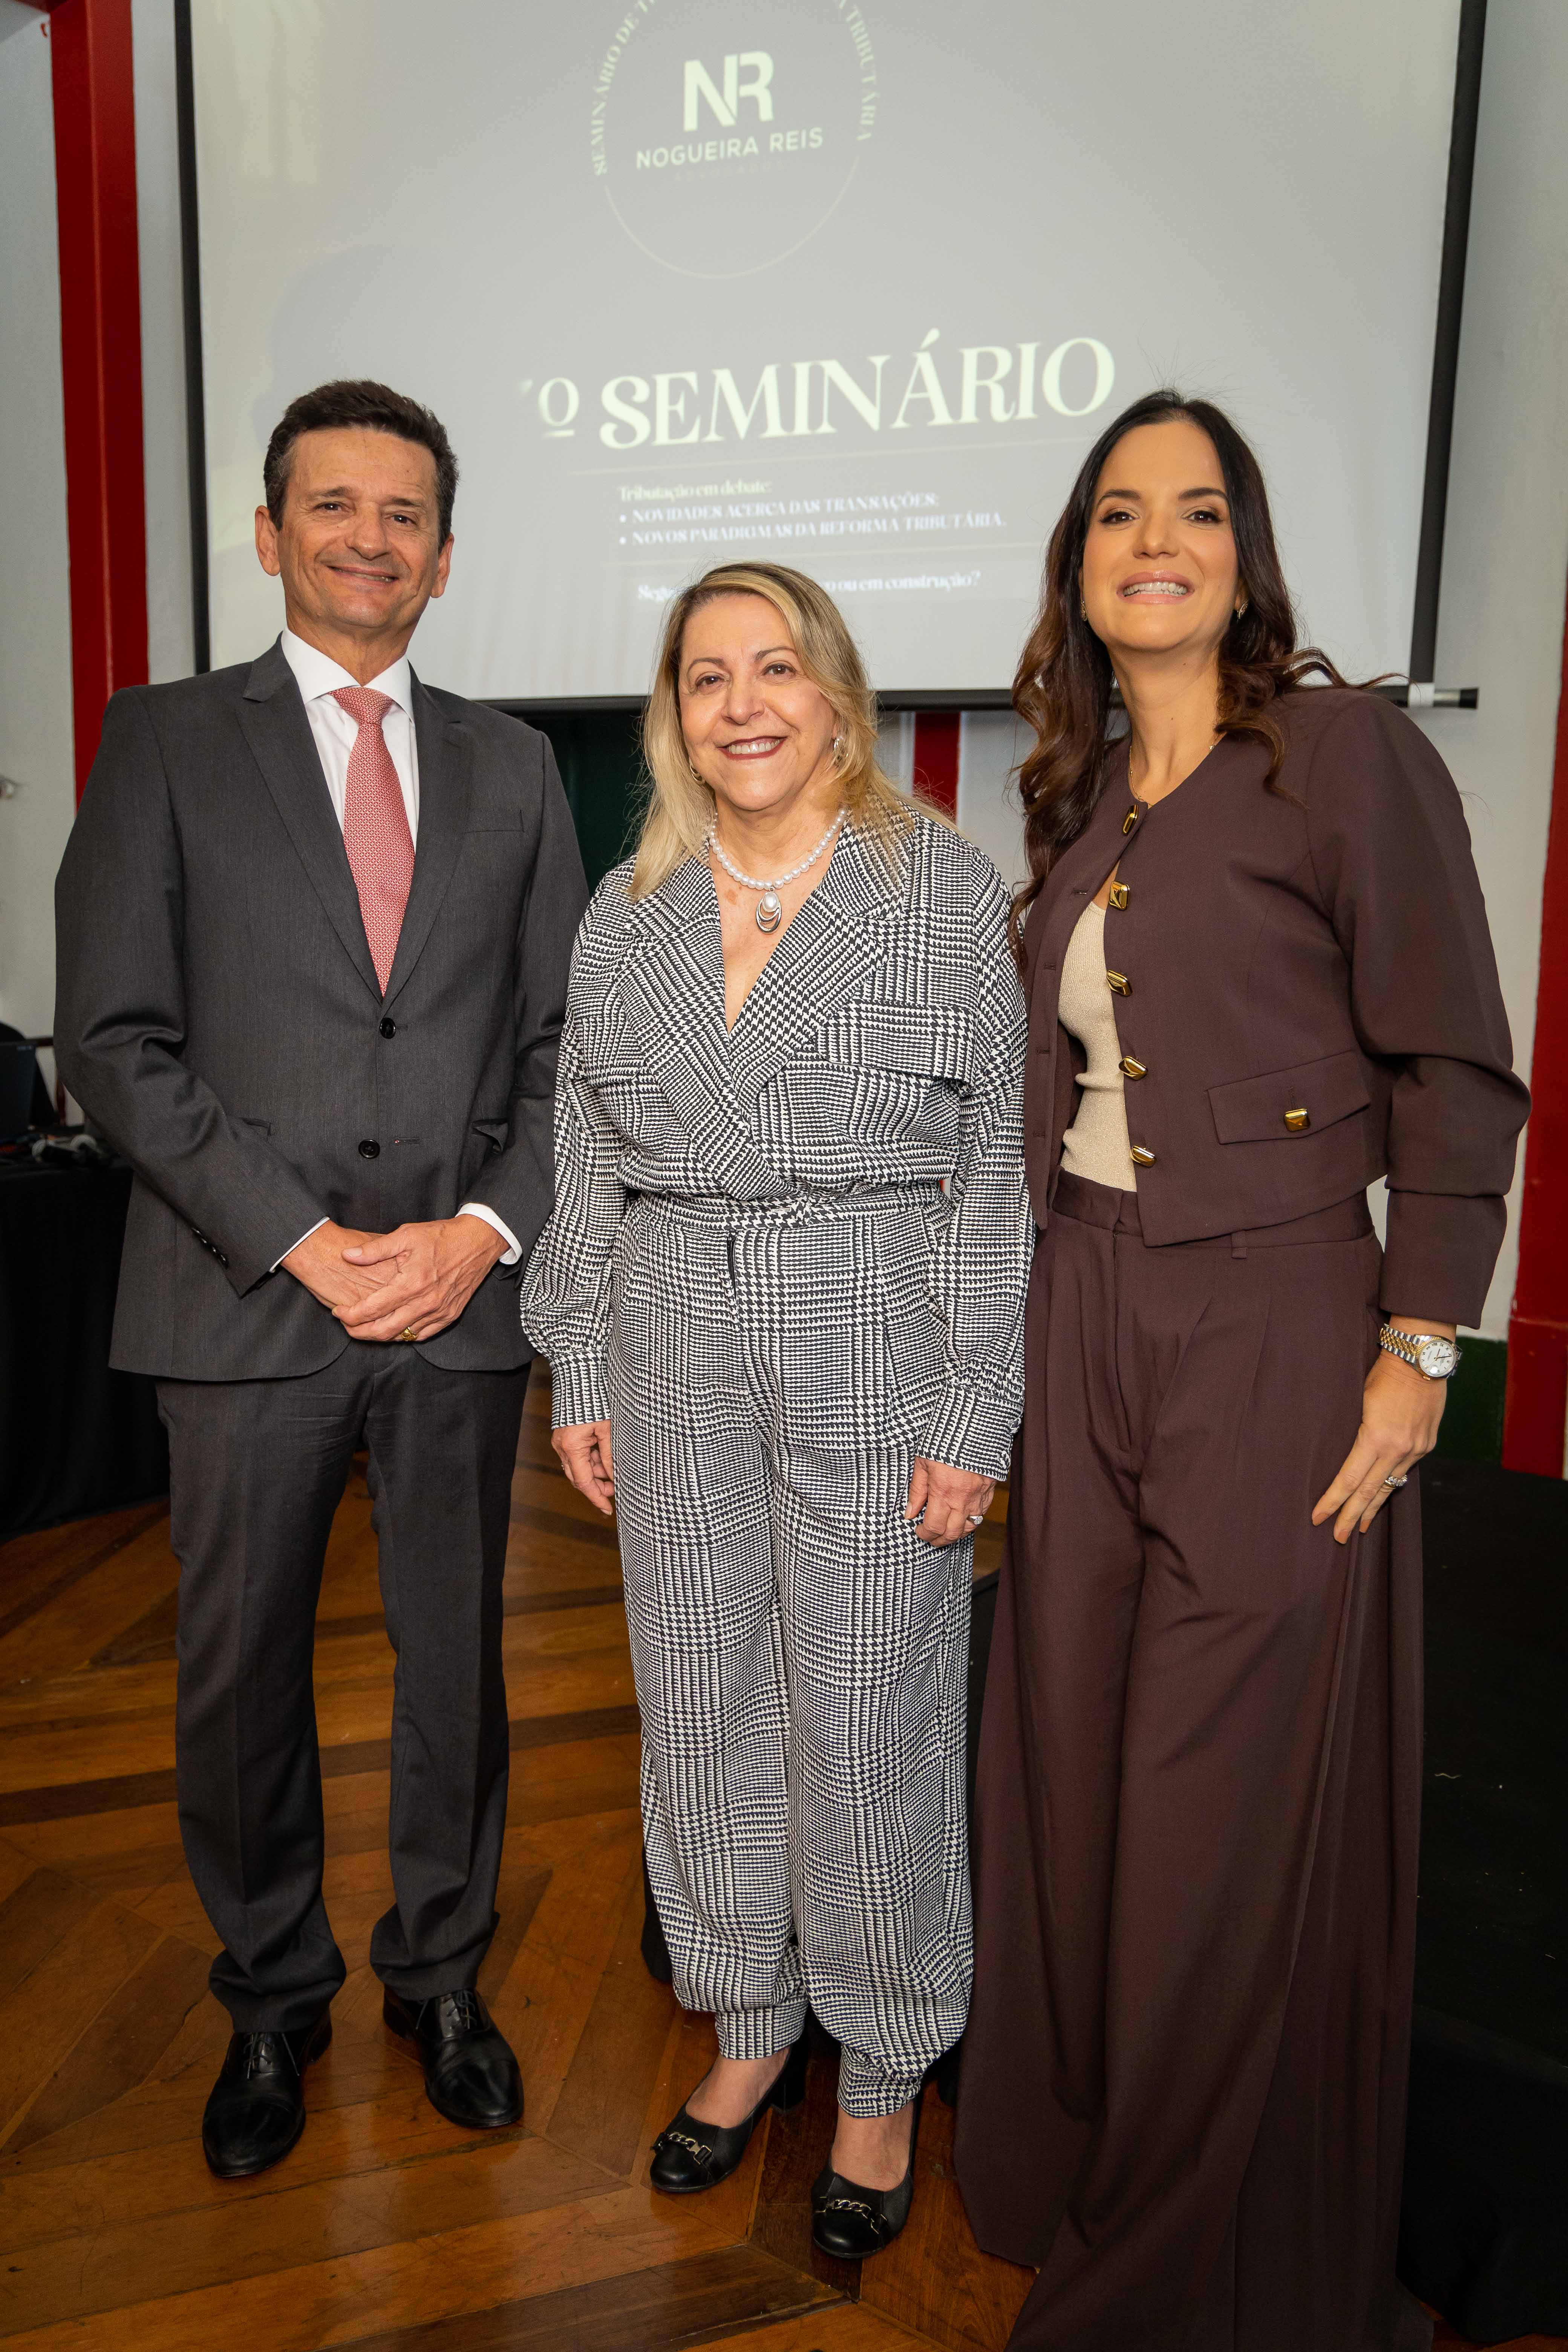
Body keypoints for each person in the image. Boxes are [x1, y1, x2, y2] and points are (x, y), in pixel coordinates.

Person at [952, 390, 1530, 2350]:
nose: (1157, 539)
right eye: (1120, 512)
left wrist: (1419, 1348)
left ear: (1247, 550)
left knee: (1210, 1817)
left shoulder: (1344, 755)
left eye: (1198, 510)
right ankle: (1081, 2170)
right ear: (1080, 561)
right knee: (1073, 1776)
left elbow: (1457, 1061)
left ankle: (1175, 2285)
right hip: (1077, 1315)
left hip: (1277, 1325)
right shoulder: (1078, 798)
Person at [54, 379, 586, 2178]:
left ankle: (440, 1974)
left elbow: (562, 1052)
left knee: (458, 1670)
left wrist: (476, 1235)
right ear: (271, 536)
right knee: (232, 1678)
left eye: (406, 513)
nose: (372, 536)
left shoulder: (516, 770)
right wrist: (296, 1236)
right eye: (333, 505)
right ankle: (271, 1996)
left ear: (446, 558)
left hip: (458, 1306)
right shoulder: (163, 742)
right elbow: (113, 1047)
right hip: (243, 1298)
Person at [521, 561, 1031, 2256]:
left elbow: (992, 1175)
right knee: (696, 1698)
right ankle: (747, 2024)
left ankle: (879, 2067)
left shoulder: (937, 888)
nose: (740, 704)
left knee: (870, 1713)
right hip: (668, 1332)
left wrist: (975, 1407)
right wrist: (576, 1360)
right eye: (703, 677)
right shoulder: (627, 910)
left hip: (874, 1324)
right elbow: (586, 1154)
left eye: (774, 669)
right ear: (674, 714)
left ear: (834, 692)